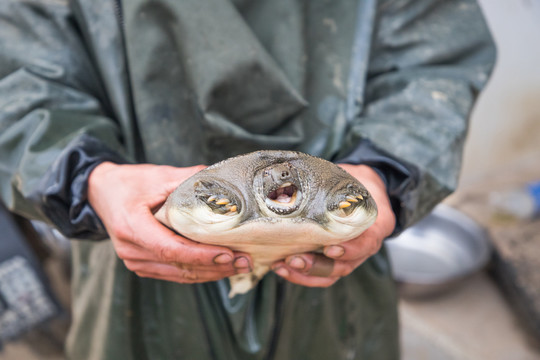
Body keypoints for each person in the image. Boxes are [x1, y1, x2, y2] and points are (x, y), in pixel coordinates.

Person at [0, 0, 495, 359]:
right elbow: (18, 79)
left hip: (338, 273)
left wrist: (385, 172)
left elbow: (434, 57)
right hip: (132, 264)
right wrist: (89, 180)